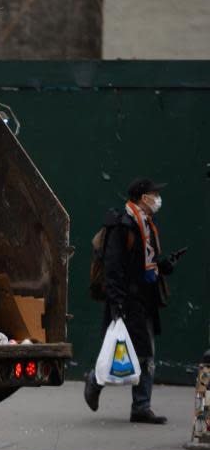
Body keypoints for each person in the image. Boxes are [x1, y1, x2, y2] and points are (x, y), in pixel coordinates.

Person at [84, 178, 182, 424]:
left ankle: (141, 406)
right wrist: (117, 303)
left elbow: (146, 260)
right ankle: (95, 382)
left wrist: (164, 265)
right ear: (142, 198)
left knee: (145, 352)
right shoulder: (123, 225)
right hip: (127, 300)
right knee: (122, 350)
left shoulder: (147, 224)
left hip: (144, 298)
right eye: (153, 194)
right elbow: (113, 268)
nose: (157, 198)